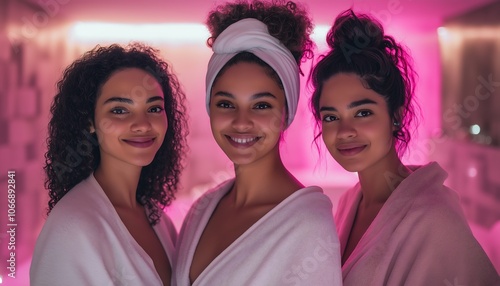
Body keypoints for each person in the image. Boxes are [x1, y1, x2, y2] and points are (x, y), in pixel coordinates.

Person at [310, 9, 500, 285]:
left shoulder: (435, 218)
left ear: (396, 116)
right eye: (331, 117)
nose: (345, 131)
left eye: (363, 112)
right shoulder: (349, 203)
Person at [173, 1, 342, 285]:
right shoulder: (201, 209)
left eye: (261, 105)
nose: (241, 122)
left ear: (286, 111)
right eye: (226, 103)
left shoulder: (307, 225)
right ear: (209, 108)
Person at [30, 43, 188, 286]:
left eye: (154, 108)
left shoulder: (158, 220)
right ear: (90, 122)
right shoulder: (73, 227)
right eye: (120, 110)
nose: (143, 124)